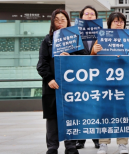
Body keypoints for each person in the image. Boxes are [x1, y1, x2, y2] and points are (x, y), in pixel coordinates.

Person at [37, 9, 84, 154]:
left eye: (63, 19)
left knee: (70, 116)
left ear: (68, 21)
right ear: (52, 22)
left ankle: (70, 146)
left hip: (70, 85)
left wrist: (70, 56)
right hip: (52, 85)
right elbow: (42, 64)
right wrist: (49, 79)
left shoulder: (75, 38)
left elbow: (83, 60)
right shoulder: (47, 40)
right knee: (52, 118)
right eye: (56, 20)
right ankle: (52, 147)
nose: (59, 22)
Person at [90, 12, 129, 154]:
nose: (119, 23)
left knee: (123, 113)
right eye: (115, 21)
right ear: (110, 24)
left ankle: (122, 143)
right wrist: (94, 51)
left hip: (124, 83)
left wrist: (125, 57)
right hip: (104, 83)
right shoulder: (101, 38)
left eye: (121, 21)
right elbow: (92, 60)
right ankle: (103, 143)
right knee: (104, 113)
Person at [75, 6, 101, 150]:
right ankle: (81, 139)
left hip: (97, 78)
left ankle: (96, 138)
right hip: (80, 77)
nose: (90, 16)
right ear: (81, 17)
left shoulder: (103, 34)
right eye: (87, 14)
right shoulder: (74, 34)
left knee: (96, 109)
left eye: (92, 14)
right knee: (81, 110)